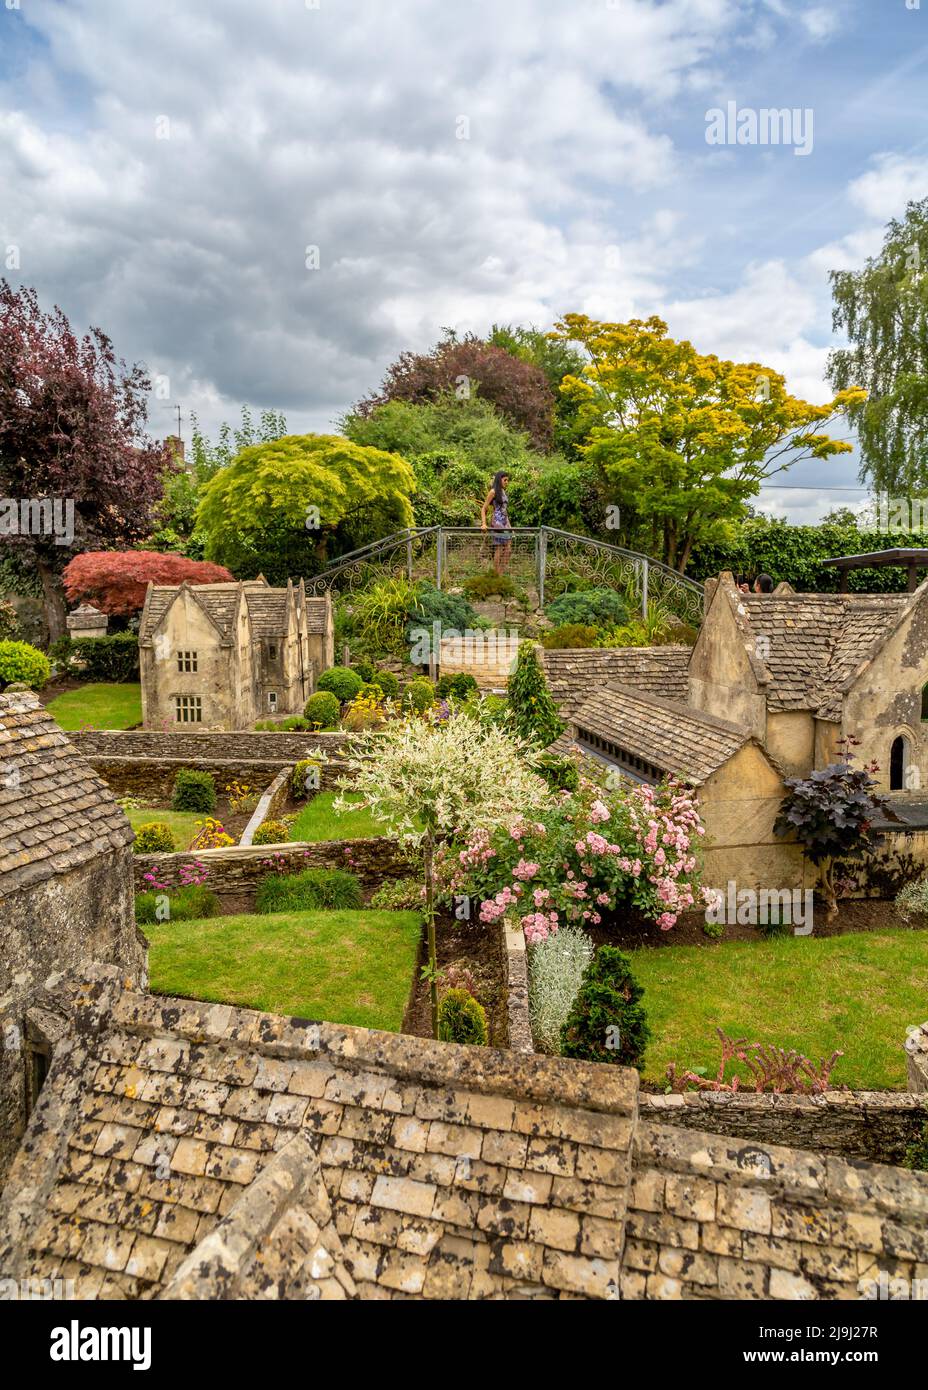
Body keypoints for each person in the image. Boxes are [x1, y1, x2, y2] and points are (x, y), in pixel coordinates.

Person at [480, 470, 512, 576]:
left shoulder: (503, 492)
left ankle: (500, 573)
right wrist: (484, 524)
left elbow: (504, 510)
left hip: (505, 523)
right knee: (499, 548)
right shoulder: (493, 492)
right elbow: (483, 508)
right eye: (505, 480)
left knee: (508, 549)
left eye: (508, 480)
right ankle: (497, 575)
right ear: (499, 480)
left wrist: (510, 526)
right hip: (497, 522)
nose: (507, 482)